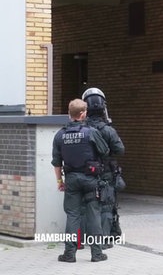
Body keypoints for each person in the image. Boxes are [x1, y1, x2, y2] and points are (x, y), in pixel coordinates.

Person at [51, 99, 110, 262]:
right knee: (94, 215)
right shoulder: (91, 132)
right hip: (91, 179)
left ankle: (69, 254)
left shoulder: (60, 135)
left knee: (72, 215)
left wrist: (59, 182)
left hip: (71, 180)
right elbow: (105, 151)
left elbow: (56, 163)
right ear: (83, 114)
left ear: (70, 114)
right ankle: (97, 253)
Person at [82, 88, 125, 249]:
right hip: (105, 173)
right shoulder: (108, 130)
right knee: (106, 206)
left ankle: (85, 239)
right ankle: (104, 240)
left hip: (84, 173)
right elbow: (120, 150)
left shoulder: (80, 129)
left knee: (86, 206)